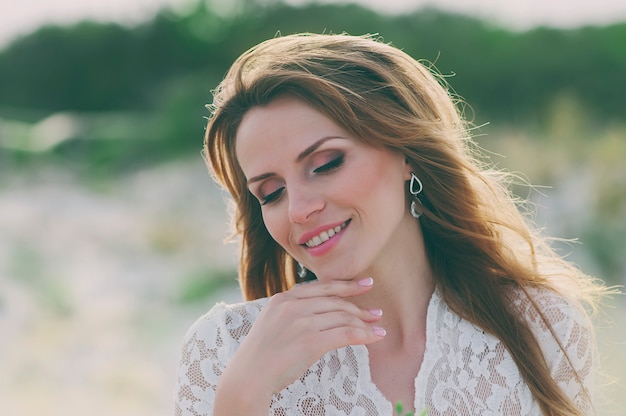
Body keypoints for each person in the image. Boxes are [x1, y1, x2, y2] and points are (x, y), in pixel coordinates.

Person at [174, 33, 610, 415]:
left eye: (326, 164)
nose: (298, 210)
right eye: (270, 193)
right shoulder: (223, 349)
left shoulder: (540, 326)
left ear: (406, 154)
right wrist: (243, 394)